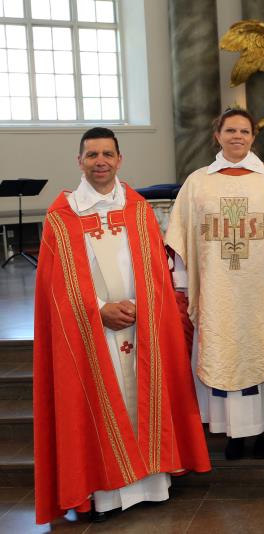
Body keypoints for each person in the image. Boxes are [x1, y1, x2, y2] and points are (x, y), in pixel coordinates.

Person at [34, 127, 211, 525]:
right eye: (92, 154)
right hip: (89, 332)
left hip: (140, 325)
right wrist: (98, 310)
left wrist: (140, 308)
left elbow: (156, 273)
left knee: (142, 396)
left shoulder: (138, 209)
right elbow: (55, 287)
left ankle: (152, 483)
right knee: (98, 403)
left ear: (120, 159)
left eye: (108, 154)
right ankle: (104, 493)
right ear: (79, 161)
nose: (100, 162)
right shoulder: (61, 216)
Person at [165, 108, 264, 461]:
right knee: (223, 350)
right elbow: (182, 239)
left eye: (244, 131)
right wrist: (184, 285)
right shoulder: (198, 182)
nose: (237, 137)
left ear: (252, 137)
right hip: (217, 292)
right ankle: (233, 432)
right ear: (217, 135)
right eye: (230, 130)